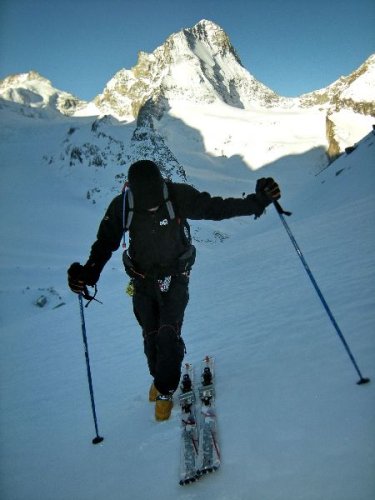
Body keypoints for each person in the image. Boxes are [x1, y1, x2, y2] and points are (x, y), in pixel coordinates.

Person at [68, 160, 280, 421]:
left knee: (167, 335)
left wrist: (257, 202)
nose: (154, 206)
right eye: (149, 203)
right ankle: (160, 380)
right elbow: (105, 244)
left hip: (176, 277)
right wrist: (87, 275)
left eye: (156, 200)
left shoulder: (177, 195)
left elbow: (216, 208)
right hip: (143, 283)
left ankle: (165, 392)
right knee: (151, 338)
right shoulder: (123, 206)